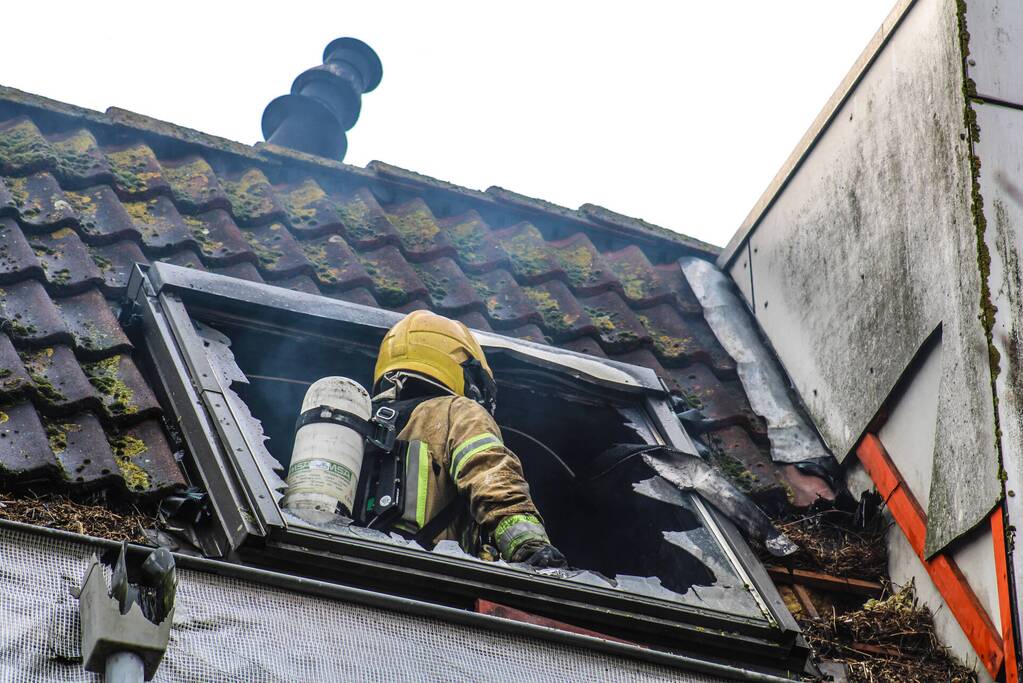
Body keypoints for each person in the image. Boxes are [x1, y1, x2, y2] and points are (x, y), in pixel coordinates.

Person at [370, 310, 566, 568]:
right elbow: (490, 474)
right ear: (463, 369)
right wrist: (530, 547)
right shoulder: (457, 411)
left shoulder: (358, 421)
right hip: (421, 574)